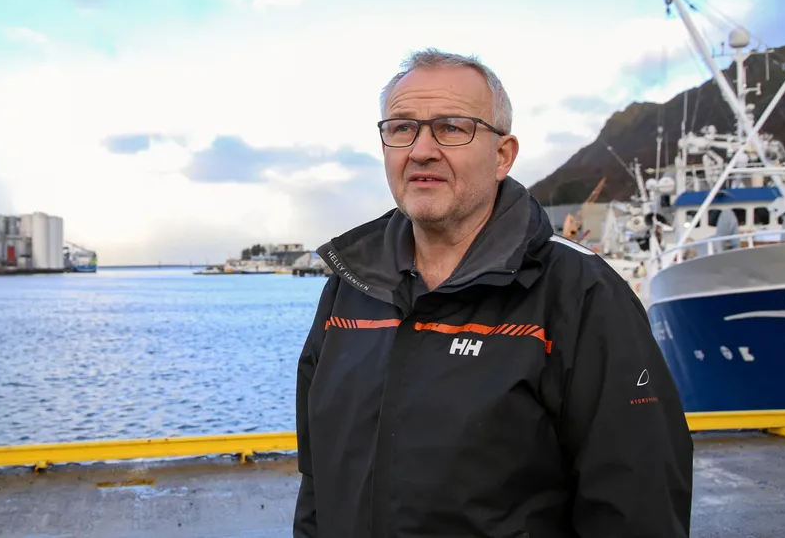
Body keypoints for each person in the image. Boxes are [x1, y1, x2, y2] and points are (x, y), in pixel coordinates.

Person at [292, 49, 694, 538]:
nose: (421, 150)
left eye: (452, 127)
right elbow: (318, 483)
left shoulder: (579, 294)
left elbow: (638, 506)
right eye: (402, 128)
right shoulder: (350, 289)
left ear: (503, 155)